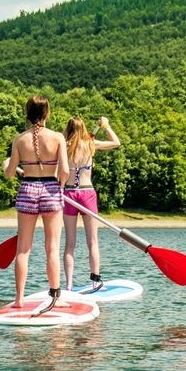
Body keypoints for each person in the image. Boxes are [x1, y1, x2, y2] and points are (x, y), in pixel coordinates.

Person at [3, 96, 70, 312]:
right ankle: (56, 296)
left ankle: (19, 299)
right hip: (51, 189)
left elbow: (10, 174)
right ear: (47, 114)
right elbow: (66, 171)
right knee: (52, 247)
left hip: (28, 190)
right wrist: (58, 187)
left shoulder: (19, 139)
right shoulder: (58, 137)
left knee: (23, 249)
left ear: (28, 113)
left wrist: (6, 165)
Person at [61, 116, 121, 291]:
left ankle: (69, 285)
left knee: (70, 243)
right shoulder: (90, 144)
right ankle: (95, 280)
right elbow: (116, 142)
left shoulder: (62, 146)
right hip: (87, 194)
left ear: (69, 129)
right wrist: (107, 126)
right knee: (92, 242)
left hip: (69, 194)